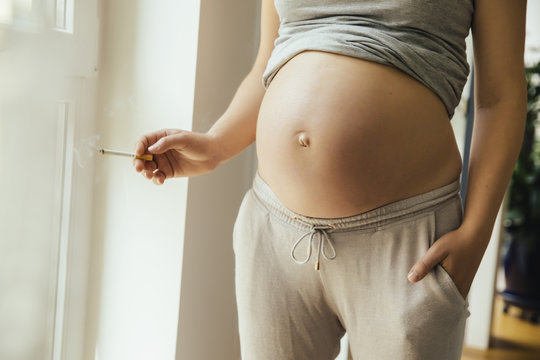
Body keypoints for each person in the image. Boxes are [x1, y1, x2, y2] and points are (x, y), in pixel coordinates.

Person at [133, 0, 527, 358]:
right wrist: (215, 145)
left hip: (410, 245)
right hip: (275, 233)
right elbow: (269, 62)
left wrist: (476, 235)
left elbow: (500, 97)